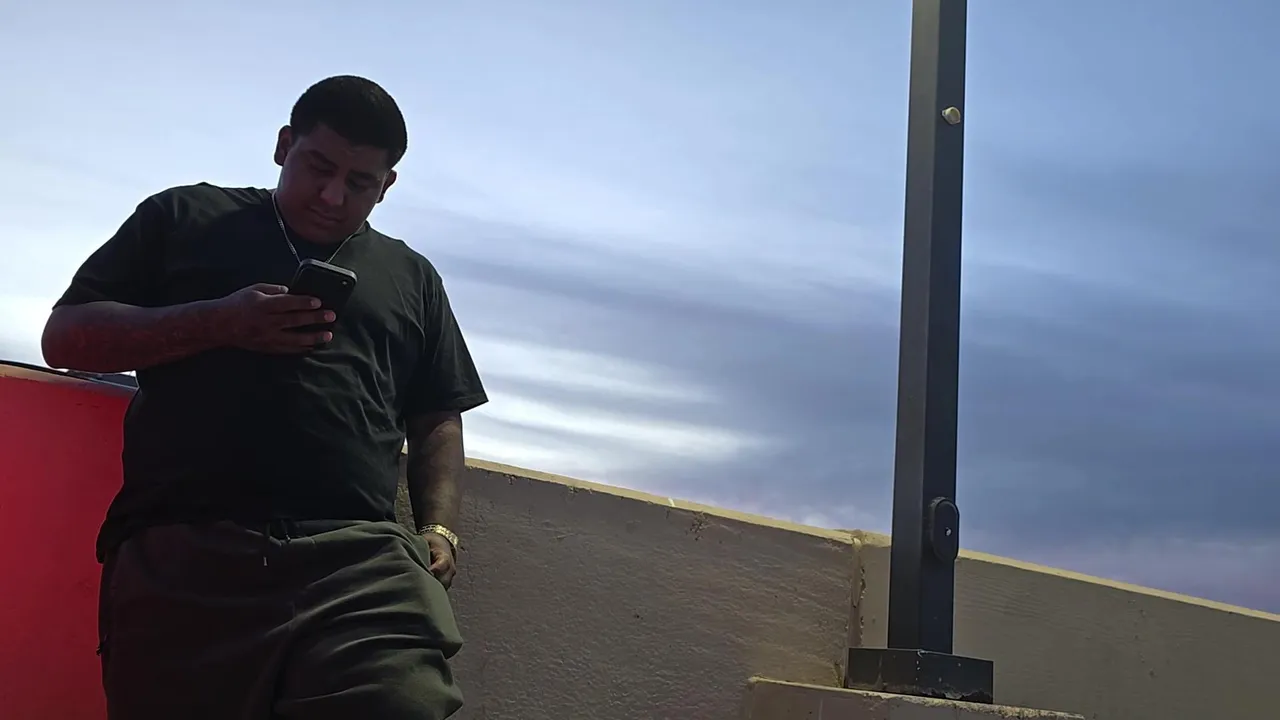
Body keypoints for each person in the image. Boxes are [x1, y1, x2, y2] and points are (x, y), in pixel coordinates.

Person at [40, 75, 486, 720]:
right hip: (185, 550)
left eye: (359, 182)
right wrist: (217, 322)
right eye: (319, 167)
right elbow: (66, 338)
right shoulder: (183, 217)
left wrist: (438, 529)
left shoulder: (412, 276)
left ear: (387, 185)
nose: (332, 196)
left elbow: (438, 412)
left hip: (361, 560)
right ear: (283, 146)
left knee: (404, 702)